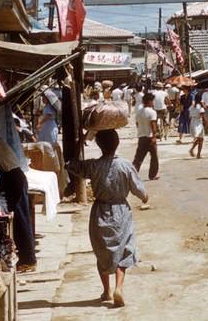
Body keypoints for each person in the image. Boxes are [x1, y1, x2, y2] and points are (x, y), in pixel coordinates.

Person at [67, 129, 149, 307]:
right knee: (125, 250)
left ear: (99, 145)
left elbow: (72, 165)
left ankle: (107, 291)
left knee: (102, 252)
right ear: (117, 143)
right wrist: (145, 197)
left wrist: (80, 142)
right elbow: (139, 190)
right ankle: (119, 287)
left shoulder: (93, 166)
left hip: (100, 212)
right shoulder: (126, 165)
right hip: (121, 212)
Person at [0, 126, 37, 272]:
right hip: (12, 176)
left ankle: (28, 260)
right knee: (20, 219)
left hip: (13, 178)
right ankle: (27, 258)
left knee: (20, 220)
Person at [132, 93, 160, 180]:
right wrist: (154, 136)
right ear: (149, 101)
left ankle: (132, 175)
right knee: (154, 157)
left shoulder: (139, 112)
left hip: (141, 136)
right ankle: (152, 175)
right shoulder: (152, 112)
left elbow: (137, 124)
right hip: (150, 137)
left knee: (138, 158)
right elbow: (153, 125)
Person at [187, 93, 208, 159]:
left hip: (192, 121)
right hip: (198, 122)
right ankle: (198, 154)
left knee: (199, 138)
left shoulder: (192, 106)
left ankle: (193, 150)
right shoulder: (200, 107)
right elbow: (204, 117)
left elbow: (189, 115)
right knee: (200, 138)